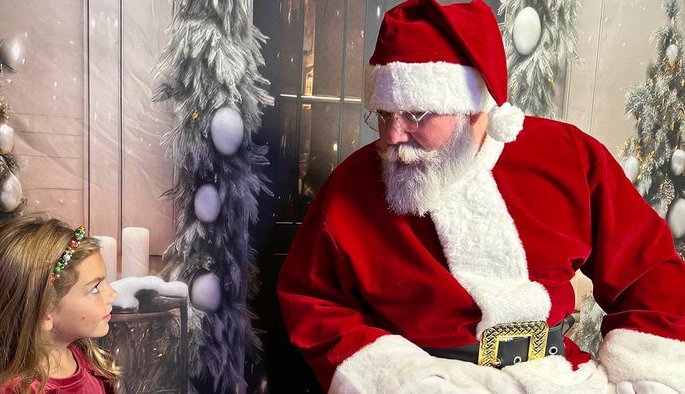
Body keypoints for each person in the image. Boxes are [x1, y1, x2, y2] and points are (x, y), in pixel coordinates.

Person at [277, 0, 685, 393]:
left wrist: (644, 377)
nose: (392, 136)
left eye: (416, 115)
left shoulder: (569, 157)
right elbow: (314, 300)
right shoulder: (354, 185)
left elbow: (649, 273)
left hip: (559, 376)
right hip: (427, 380)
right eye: (384, 114)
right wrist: (397, 381)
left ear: (473, 108)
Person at [0, 215, 120, 393]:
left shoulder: (87, 360)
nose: (113, 294)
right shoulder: (11, 390)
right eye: (95, 288)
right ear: (45, 310)